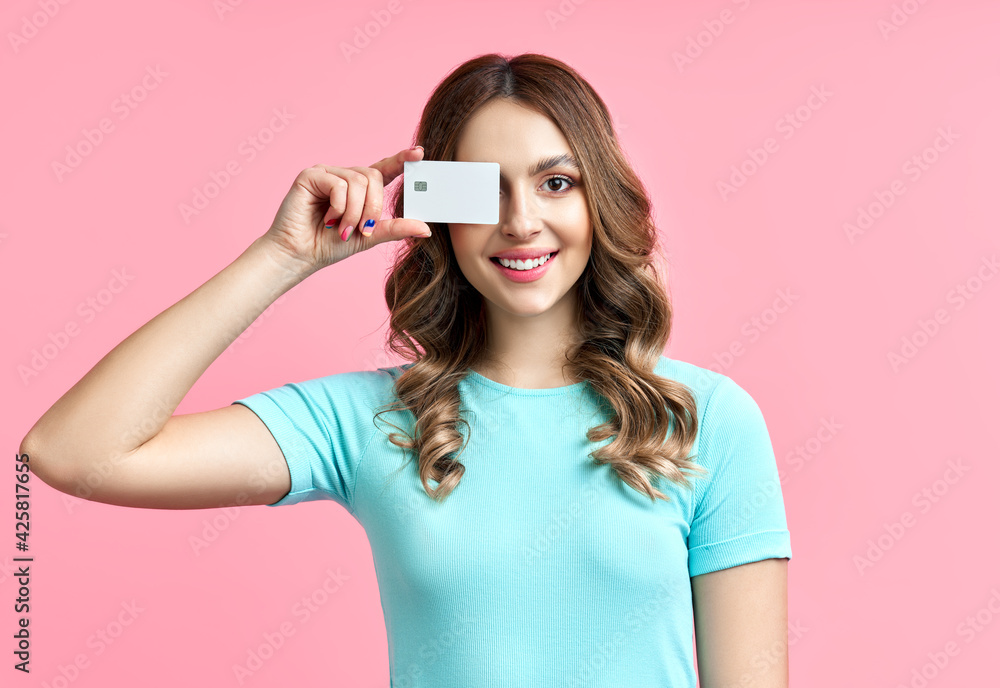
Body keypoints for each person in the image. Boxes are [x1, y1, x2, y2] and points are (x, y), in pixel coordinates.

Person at [21, 53, 792, 687]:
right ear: (439, 210)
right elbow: (74, 452)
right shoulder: (371, 422)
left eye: (556, 183)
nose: (520, 220)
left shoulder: (706, 420)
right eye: (484, 190)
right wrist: (282, 258)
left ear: (600, 201)